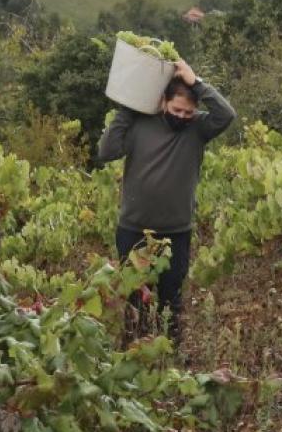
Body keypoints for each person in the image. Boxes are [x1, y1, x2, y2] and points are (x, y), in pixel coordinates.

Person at [93, 59, 236, 347]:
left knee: (171, 298)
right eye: (176, 110)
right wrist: (127, 108)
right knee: (136, 297)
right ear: (162, 102)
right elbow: (106, 152)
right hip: (134, 228)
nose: (182, 116)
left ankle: (170, 355)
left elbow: (227, 114)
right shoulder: (139, 123)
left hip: (176, 231)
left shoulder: (198, 129)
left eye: (188, 112)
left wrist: (196, 83)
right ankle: (134, 351)